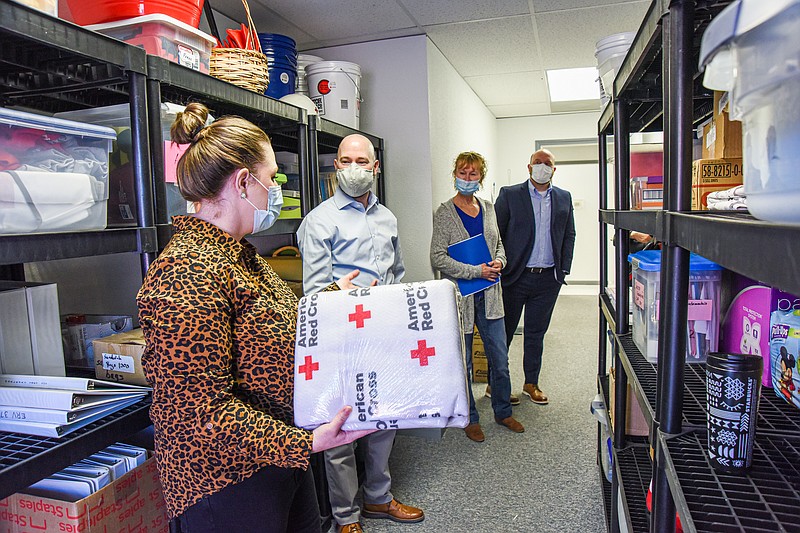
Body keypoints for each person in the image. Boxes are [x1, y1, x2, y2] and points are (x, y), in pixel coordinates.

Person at [137, 103, 373, 533]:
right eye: (272, 179)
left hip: (277, 457)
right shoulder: (185, 272)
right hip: (224, 481)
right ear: (244, 182)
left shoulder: (241, 254)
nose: (275, 190)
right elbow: (201, 413)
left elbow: (271, 320)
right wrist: (306, 442)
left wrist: (331, 298)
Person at [297, 134, 423, 533]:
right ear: (336, 166)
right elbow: (314, 294)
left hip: (385, 333)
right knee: (344, 427)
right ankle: (346, 516)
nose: (354, 167)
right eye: (345, 160)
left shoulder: (387, 218)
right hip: (343, 339)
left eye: (361, 160)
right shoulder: (319, 221)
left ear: (375, 167)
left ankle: (378, 498)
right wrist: (345, 294)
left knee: (386, 419)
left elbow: (397, 273)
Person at [430, 151, 525, 443]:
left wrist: (499, 262)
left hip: (491, 294)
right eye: (463, 173)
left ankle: (503, 410)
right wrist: (475, 271)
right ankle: (469, 417)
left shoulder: (488, 208)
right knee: (464, 361)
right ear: (455, 175)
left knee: (499, 356)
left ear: (481, 178)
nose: (467, 178)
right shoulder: (445, 213)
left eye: (473, 174)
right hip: (462, 298)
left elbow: (499, 246)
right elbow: (437, 258)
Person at [495, 148, 576, 405]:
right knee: (504, 333)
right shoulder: (509, 195)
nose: (542, 167)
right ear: (529, 168)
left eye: (547, 163)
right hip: (515, 276)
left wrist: (563, 269)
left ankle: (531, 383)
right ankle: (495, 384)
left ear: (554, 169)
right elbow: (495, 233)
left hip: (547, 280)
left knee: (535, 333)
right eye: (537, 163)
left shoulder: (563, 197)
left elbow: (569, 234)